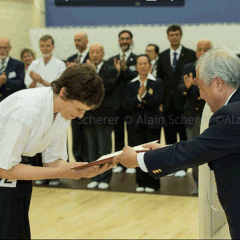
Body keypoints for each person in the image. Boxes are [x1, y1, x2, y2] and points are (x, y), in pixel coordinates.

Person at [113, 49, 240, 239]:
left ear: (218, 83)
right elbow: (204, 147)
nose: (201, 95)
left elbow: (195, 151)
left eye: (201, 87)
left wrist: (138, 159)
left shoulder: (230, 115)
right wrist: (165, 150)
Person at [0, 64, 116, 240]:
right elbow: (4, 169)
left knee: (18, 232)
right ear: (63, 93)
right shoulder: (27, 110)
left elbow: (53, 162)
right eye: (79, 109)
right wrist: (62, 172)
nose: (80, 116)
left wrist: (80, 171)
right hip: (7, 171)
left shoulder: (62, 112)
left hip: (16, 175)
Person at [24, 34, 66, 185]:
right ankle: (39, 174)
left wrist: (41, 80)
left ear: (53, 47)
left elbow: (59, 88)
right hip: (35, 106)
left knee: (51, 140)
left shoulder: (60, 64)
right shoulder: (34, 64)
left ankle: (54, 175)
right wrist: (35, 81)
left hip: (54, 107)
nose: (45, 48)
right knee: (35, 139)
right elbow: (28, 86)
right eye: (42, 46)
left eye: (48, 45)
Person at [157, 24, 196, 177]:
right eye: (171, 35)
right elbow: (159, 80)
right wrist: (160, 101)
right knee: (169, 137)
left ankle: (184, 167)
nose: (174, 37)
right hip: (167, 104)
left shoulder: (190, 54)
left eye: (176, 35)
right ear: (168, 37)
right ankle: (171, 166)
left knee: (184, 138)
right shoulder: (162, 55)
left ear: (180, 36)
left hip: (184, 103)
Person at [125, 54, 165, 192]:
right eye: (140, 64)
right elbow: (129, 104)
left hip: (152, 123)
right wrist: (139, 97)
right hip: (135, 124)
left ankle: (153, 183)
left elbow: (157, 101)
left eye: (145, 63)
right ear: (136, 66)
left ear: (150, 66)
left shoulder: (157, 82)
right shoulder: (131, 84)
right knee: (137, 153)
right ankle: (141, 183)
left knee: (152, 154)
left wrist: (144, 95)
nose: (142, 66)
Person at [178, 38, 213, 195]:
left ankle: (212, 186)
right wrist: (186, 87)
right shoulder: (188, 67)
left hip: (212, 114)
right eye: (200, 49)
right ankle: (198, 185)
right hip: (192, 115)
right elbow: (179, 89)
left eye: (206, 49)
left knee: (210, 150)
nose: (202, 52)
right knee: (193, 150)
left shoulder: (216, 67)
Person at [82, 43, 118, 189]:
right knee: (91, 147)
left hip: (104, 114)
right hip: (89, 113)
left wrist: (94, 72)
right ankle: (94, 176)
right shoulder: (84, 70)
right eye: (92, 52)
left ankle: (105, 177)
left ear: (103, 54)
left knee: (104, 148)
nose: (95, 55)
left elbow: (107, 86)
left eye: (98, 52)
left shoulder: (110, 69)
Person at [108, 30, 138, 174]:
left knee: (133, 134)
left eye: (127, 39)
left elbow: (136, 79)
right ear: (119, 41)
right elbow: (110, 81)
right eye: (122, 39)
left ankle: (132, 163)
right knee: (118, 136)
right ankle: (119, 163)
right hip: (116, 104)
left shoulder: (137, 59)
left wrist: (124, 69)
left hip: (131, 104)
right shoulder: (112, 60)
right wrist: (118, 71)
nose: (125, 41)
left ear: (131, 40)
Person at [66, 32, 90, 163]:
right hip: (74, 102)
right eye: (75, 40)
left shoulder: (91, 57)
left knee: (87, 133)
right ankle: (78, 159)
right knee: (76, 132)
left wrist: (79, 68)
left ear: (86, 41)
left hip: (87, 102)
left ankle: (88, 159)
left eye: (79, 40)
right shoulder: (70, 58)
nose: (77, 43)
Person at [0, 37, 25, 102]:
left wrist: (6, 81)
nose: (2, 50)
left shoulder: (18, 64)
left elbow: (21, 84)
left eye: (5, 48)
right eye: (0, 47)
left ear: (9, 48)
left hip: (12, 100)